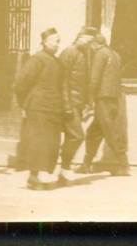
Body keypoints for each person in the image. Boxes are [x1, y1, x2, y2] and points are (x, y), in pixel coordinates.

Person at [14, 27, 70, 190]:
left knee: (51, 143)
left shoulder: (58, 62)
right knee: (38, 142)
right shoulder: (37, 60)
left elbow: (62, 86)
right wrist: (24, 104)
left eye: (59, 41)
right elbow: (21, 83)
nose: (58, 44)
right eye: (55, 41)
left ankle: (40, 175)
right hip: (38, 108)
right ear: (45, 42)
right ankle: (34, 177)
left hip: (53, 108)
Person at [77, 33, 130, 176]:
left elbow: (94, 80)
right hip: (113, 98)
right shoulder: (115, 55)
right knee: (94, 132)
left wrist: (90, 101)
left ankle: (124, 164)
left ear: (95, 44)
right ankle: (86, 164)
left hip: (103, 98)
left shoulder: (100, 54)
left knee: (110, 130)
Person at [57, 26, 98, 182]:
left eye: (91, 40)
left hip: (78, 103)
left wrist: (87, 103)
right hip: (70, 102)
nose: (89, 43)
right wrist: (66, 105)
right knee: (77, 136)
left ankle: (63, 171)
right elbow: (61, 80)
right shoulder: (69, 52)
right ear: (80, 37)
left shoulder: (86, 53)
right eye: (87, 39)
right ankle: (65, 167)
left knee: (71, 136)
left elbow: (85, 81)